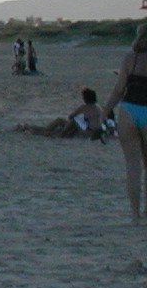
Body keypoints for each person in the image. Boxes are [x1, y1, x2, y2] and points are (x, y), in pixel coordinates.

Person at [102, 21, 147, 223]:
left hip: (128, 111)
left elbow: (119, 89)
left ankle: (135, 215)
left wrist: (105, 110)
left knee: (132, 167)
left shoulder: (131, 58)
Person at [19, 87, 105, 139]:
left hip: (87, 131)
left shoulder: (85, 107)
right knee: (66, 123)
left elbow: (71, 116)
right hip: (94, 130)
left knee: (59, 122)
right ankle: (37, 129)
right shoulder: (98, 107)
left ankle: (33, 129)